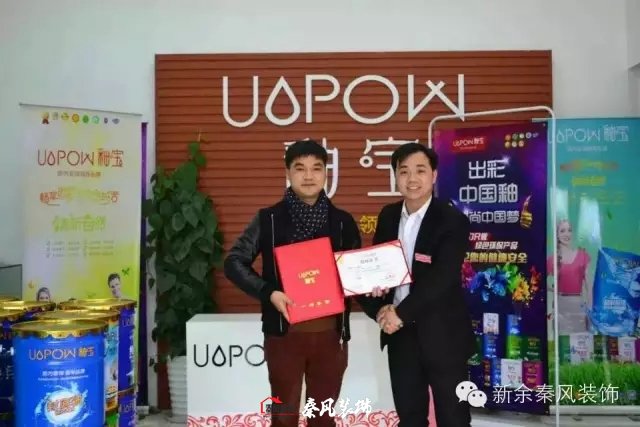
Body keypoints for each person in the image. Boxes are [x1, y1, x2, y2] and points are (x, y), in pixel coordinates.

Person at [224, 140, 361, 427]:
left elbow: (355, 274)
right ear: (288, 173)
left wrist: (372, 283)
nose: (308, 176)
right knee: (283, 417)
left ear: (326, 173)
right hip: (283, 336)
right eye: (300, 168)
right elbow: (234, 262)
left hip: (331, 337)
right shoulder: (269, 219)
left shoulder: (342, 222)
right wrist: (269, 292)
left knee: (323, 419)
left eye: (316, 168)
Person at [357, 143, 475, 427]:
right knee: (409, 417)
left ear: (434, 175)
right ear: (395, 177)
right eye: (404, 171)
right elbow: (377, 270)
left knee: (454, 418)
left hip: (443, 335)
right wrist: (379, 309)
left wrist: (400, 313)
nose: (412, 179)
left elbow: (442, 278)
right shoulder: (387, 216)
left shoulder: (452, 220)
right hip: (401, 336)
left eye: (420, 171)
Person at [546, 219, 591, 333]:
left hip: (578, 305)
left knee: (580, 338)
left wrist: (590, 307)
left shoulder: (582, 256)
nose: (567, 234)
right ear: (557, 235)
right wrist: (553, 290)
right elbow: (539, 281)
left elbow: (589, 286)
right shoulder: (552, 259)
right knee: (562, 338)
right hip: (560, 305)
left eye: (569, 230)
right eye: (562, 231)